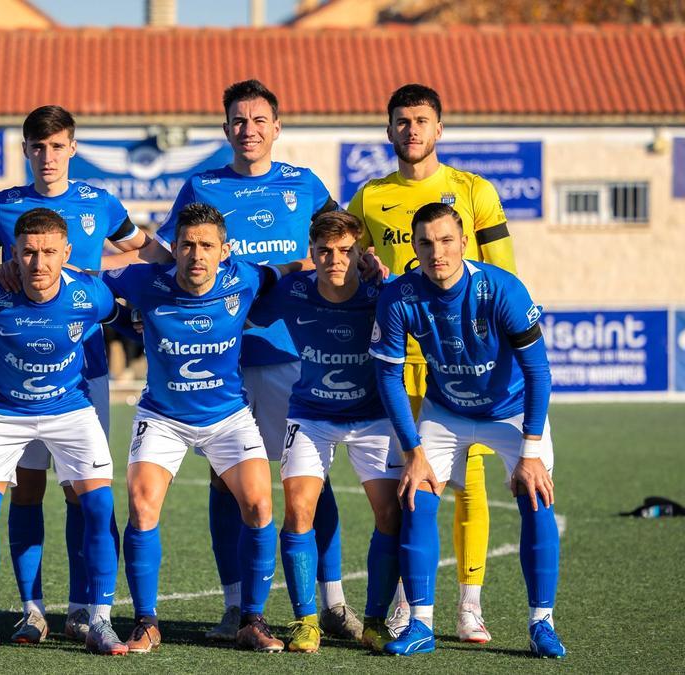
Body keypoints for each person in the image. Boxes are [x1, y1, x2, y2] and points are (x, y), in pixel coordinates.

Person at [108, 79, 361, 642]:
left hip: (292, 353)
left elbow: (341, 244)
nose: (249, 130)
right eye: (238, 121)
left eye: (258, 120)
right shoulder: (202, 185)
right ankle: (235, 607)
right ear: (226, 130)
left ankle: (331, 602)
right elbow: (171, 257)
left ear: (276, 127)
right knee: (227, 487)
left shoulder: (305, 184)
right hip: (220, 363)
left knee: (307, 481)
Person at [0, 105, 155, 642]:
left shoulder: (98, 201)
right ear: (26, 150)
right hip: (12, 377)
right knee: (27, 491)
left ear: (72, 147)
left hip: (81, 371)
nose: (48, 157)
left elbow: (142, 250)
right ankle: (32, 608)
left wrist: (184, 271)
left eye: (58, 146)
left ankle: (89, 607)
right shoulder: (2, 207)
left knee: (83, 493)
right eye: (37, 147)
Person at [349, 83, 517, 641]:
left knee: (469, 484)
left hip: (461, 365)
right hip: (397, 362)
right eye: (402, 121)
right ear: (389, 129)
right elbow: (341, 260)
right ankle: (407, 598)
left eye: (422, 120)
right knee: (411, 481)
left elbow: (503, 276)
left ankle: (469, 605)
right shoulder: (370, 197)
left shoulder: (474, 191)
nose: (412, 130)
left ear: (439, 127)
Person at [369, 203, 563, 658]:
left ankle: (542, 623)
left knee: (535, 496)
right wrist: (413, 449)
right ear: (413, 247)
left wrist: (531, 450)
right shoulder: (399, 297)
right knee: (416, 494)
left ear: (464, 242)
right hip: (446, 411)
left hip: (510, 412)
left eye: (446, 240)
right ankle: (420, 624)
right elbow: (388, 378)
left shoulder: (501, 289)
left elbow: (539, 373)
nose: (437, 252)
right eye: (425, 243)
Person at [101, 203, 284, 653]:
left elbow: (292, 271)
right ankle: (146, 621)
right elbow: (86, 280)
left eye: (206, 245)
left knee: (260, 506)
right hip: (162, 416)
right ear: (174, 249)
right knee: (142, 507)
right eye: (186, 245)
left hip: (228, 418)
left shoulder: (246, 277)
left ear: (225, 251)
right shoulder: (144, 280)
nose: (196, 254)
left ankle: (252, 620)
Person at [0, 208, 126, 657]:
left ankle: (100, 620)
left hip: (70, 408)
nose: (38, 263)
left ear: (67, 253)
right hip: (3, 411)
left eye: (49, 252)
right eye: (28, 252)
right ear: (14, 255)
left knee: (99, 506)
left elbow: (120, 309)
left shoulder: (90, 295)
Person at [246, 210, 403, 653]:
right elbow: (240, 305)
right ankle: (306, 621)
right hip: (311, 415)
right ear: (312, 253)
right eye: (325, 251)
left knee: (390, 515)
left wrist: (386, 277)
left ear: (361, 254)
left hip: (373, 417)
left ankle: (374, 620)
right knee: (297, 511)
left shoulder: (382, 293)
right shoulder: (294, 290)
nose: (336, 259)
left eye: (346, 251)